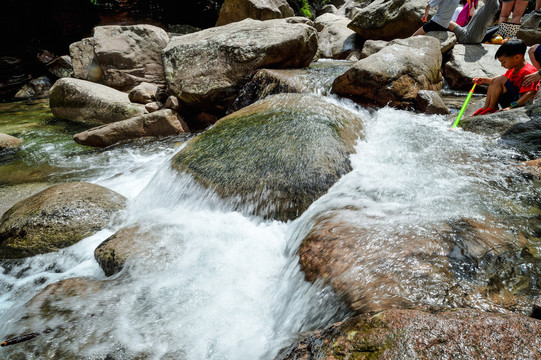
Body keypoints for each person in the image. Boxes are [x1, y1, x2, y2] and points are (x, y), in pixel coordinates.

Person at [471, 39, 539, 115]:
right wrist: (484, 80)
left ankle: (492, 107)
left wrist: (512, 106)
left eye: (504, 62)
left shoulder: (529, 71)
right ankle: (486, 107)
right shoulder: (513, 69)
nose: (502, 65)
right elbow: (499, 83)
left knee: (500, 78)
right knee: (497, 78)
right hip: (512, 99)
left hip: (520, 103)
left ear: (517, 57)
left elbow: (531, 92)